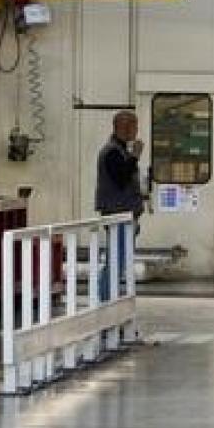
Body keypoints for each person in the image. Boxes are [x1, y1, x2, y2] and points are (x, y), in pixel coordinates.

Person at [96, 111, 146, 300]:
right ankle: (105, 299)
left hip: (124, 214)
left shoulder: (119, 150)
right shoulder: (112, 152)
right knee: (116, 260)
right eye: (134, 126)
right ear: (123, 127)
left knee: (119, 260)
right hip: (117, 215)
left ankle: (108, 297)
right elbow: (121, 178)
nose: (136, 130)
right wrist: (135, 156)